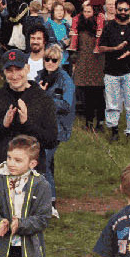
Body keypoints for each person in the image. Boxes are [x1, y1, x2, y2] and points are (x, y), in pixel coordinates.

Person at [0, 48, 58, 176]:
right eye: (9, 70)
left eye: (18, 69)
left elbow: (51, 140)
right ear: (3, 72)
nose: (14, 76)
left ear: (27, 68)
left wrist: (27, 123)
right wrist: (2, 125)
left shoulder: (43, 98)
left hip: (31, 171)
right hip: (0, 169)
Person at [98, 0, 130, 139]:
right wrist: (115, 49)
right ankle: (114, 130)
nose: (123, 12)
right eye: (120, 9)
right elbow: (101, 47)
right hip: (111, 72)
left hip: (129, 71)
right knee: (112, 104)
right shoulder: (109, 27)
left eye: (126, 10)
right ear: (115, 10)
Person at [36, 44, 74, 181]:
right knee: (47, 162)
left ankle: (50, 198)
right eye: (47, 59)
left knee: (44, 162)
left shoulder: (66, 80)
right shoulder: (40, 76)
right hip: (42, 125)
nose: (50, 63)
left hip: (58, 127)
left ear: (60, 61)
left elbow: (67, 105)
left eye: (54, 60)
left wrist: (45, 96)